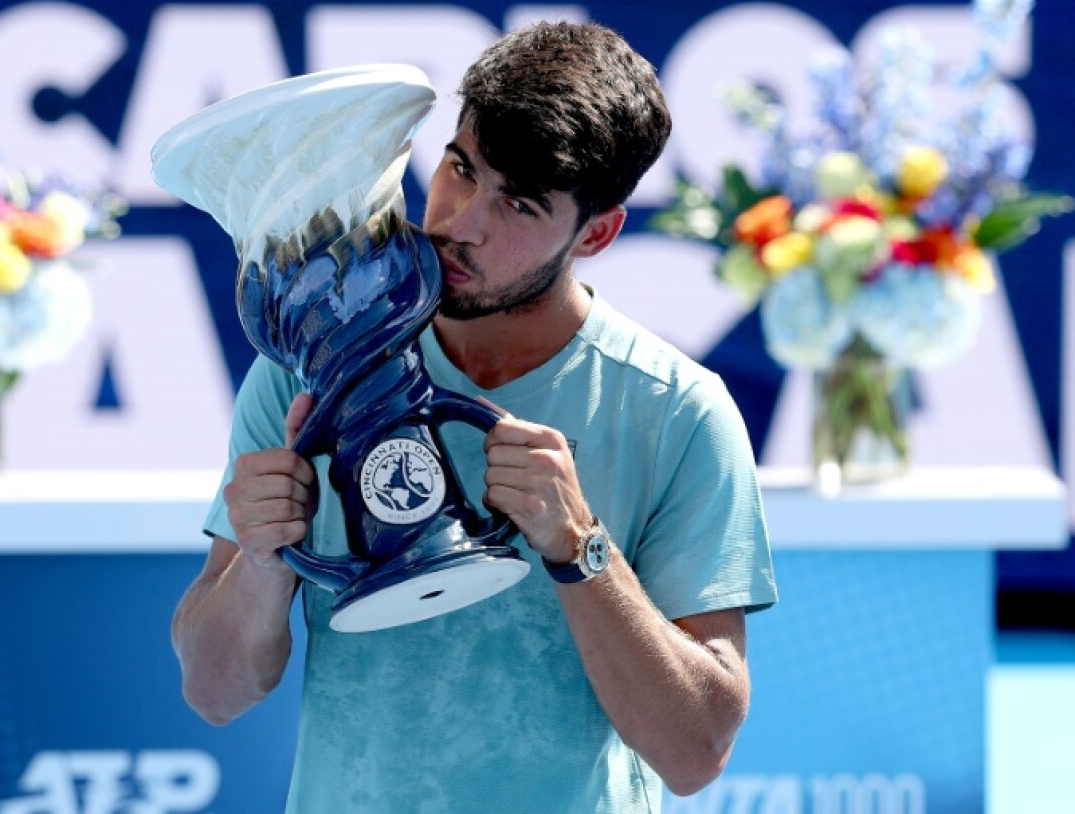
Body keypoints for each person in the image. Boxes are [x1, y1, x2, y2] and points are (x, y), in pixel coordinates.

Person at [174, 20, 777, 813]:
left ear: (595, 233)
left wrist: (581, 548)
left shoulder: (679, 412)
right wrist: (259, 560)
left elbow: (696, 754)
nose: (460, 220)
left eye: (519, 204)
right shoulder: (303, 368)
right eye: (461, 167)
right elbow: (215, 694)